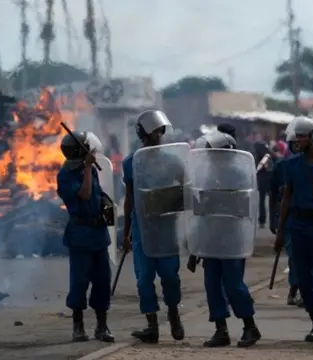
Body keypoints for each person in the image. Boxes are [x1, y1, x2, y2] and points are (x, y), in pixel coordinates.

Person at [189, 131, 262, 348]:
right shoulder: (205, 175)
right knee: (212, 285)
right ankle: (221, 330)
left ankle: (250, 327)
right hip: (211, 238)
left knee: (233, 285)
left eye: (213, 153)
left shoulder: (240, 174)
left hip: (232, 238)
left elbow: (243, 207)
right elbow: (199, 213)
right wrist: (195, 249)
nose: (210, 157)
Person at [122, 110, 185, 344]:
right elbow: (129, 197)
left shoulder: (172, 160)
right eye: (153, 131)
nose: (157, 135)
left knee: (170, 276)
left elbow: (185, 186)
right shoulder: (131, 162)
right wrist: (126, 231)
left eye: (160, 131)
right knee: (144, 278)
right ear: (143, 133)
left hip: (167, 227)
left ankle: (174, 315)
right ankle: (152, 325)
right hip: (142, 230)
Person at [274, 116, 313, 345]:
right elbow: (286, 198)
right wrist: (280, 232)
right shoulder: (291, 165)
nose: (297, 139)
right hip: (298, 226)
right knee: (302, 277)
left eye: (302, 135)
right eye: (296, 135)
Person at [56, 131, 114, 343]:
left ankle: (102, 325)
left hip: (98, 234)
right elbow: (85, 194)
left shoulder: (87, 170)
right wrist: (88, 168)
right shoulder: (65, 175)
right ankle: (78, 326)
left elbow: (97, 196)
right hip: (80, 235)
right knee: (79, 283)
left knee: (102, 282)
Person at [270, 131, 302, 306]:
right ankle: (294, 290)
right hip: (289, 218)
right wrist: (274, 223)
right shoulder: (282, 166)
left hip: (308, 217)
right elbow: (274, 194)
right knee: (294, 257)